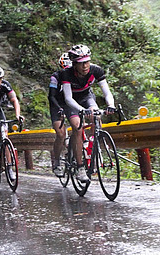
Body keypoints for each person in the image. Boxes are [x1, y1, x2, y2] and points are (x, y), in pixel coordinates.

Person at [61, 45, 116, 182]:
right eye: (81, 63)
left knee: (96, 116)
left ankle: (93, 145)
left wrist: (111, 105)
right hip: (71, 101)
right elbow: (68, 98)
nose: (85, 66)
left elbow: (106, 91)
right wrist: (81, 110)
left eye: (87, 62)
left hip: (86, 97)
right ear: (74, 64)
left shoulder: (95, 70)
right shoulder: (67, 74)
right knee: (77, 127)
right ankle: (80, 167)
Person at [48, 52, 72, 177]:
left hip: (71, 105)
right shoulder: (55, 77)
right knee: (61, 134)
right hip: (57, 105)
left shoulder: (78, 76)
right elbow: (51, 96)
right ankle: (56, 161)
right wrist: (59, 108)